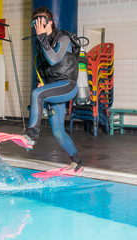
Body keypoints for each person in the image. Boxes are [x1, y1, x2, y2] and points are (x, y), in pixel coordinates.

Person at [25, 6, 82, 172]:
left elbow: (54, 59)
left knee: (37, 94)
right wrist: (42, 83)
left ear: (50, 22)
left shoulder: (63, 38)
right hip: (54, 88)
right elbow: (43, 69)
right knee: (58, 132)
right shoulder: (40, 46)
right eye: (35, 22)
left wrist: (41, 37)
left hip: (68, 86)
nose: (38, 24)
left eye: (41, 21)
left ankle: (31, 136)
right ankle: (77, 161)